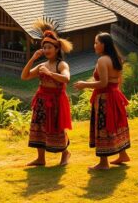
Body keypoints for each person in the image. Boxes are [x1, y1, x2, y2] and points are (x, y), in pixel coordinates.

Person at [74, 33, 131, 170]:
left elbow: (103, 83)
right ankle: (123, 155)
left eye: (96, 43)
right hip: (115, 95)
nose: (94, 45)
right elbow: (116, 80)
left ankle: (103, 162)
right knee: (116, 125)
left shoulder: (102, 60)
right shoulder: (116, 58)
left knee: (103, 127)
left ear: (103, 45)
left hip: (105, 98)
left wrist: (84, 84)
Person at [20, 18, 72, 167]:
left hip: (56, 101)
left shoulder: (61, 64)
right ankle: (40, 158)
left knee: (57, 128)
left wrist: (50, 74)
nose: (47, 50)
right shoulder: (42, 65)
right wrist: (33, 58)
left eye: (50, 47)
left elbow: (66, 78)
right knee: (38, 127)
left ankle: (65, 154)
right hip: (41, 100)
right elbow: (24, 76)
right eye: (45, 47)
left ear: (56, 49)